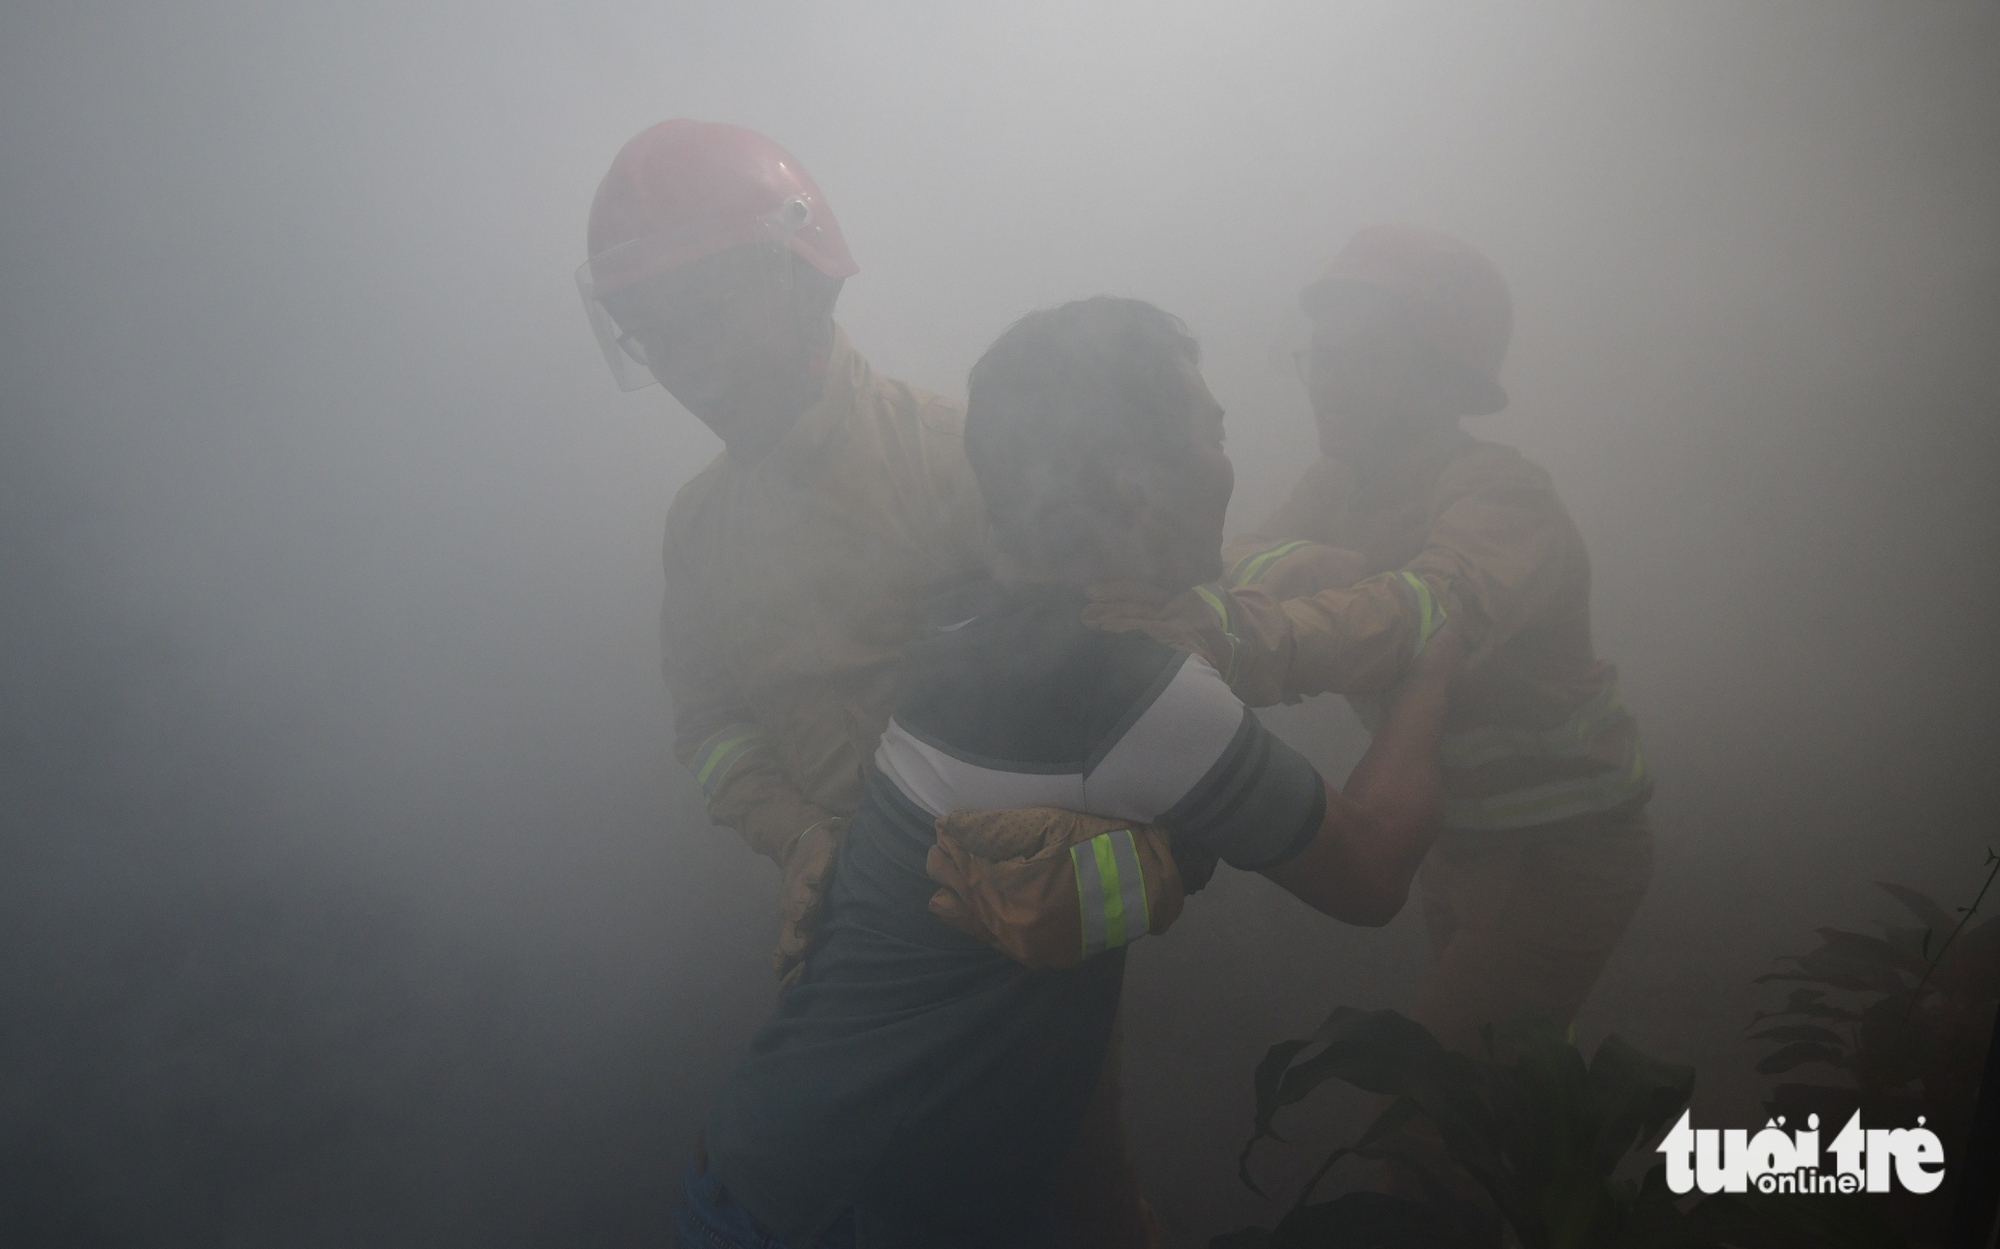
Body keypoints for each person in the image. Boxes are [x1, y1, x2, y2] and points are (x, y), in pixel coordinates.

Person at [679, 297, 1467, 1249]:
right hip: (850, 1214)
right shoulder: (1127, 694)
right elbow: (1373, 870)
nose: (1228, 458)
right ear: (1136, 489)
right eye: (1212, 433)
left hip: (775, 1176)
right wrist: (1433, 653)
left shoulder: (965, 622)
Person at [578, 123, 1151, 1247]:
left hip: (1015, 943)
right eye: (653, 335)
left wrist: (1070, 873)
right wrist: (799, 837)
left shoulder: (954, 460)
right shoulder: (699, 530)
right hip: (844, 944)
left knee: (1077, 1202)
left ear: (799, 285)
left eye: (699, 318)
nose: (683, 368)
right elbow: (709, 725)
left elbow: (1119, 685)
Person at [1088, 226, 1653, 1057]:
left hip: (1560, 854)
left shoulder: (1505, 499)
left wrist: (1229, 634)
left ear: (1439, 379)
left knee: (1438, 1123)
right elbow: (1240, 564)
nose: (1329, 381)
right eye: (1323, 356)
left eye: (1363, 356)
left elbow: (1421, 617)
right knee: (1513, 1098)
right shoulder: (1340, 485)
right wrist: (1239, 585)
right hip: (1465, 842)